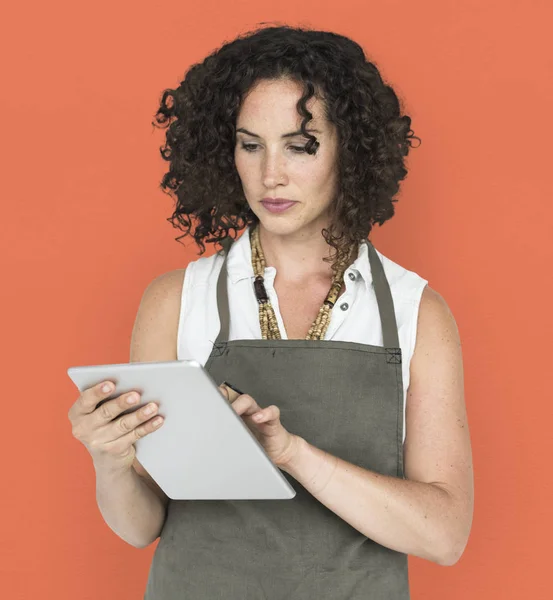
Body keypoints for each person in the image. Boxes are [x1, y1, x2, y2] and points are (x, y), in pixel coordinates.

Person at [68, 23, 474, 599]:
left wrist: (292, 454)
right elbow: (143, 526)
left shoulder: (415, 313)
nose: (270, 175)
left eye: (300, 145)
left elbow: (446, 534)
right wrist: (109, 460)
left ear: (349, 150)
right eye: (250, 144)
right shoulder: (176, 300)